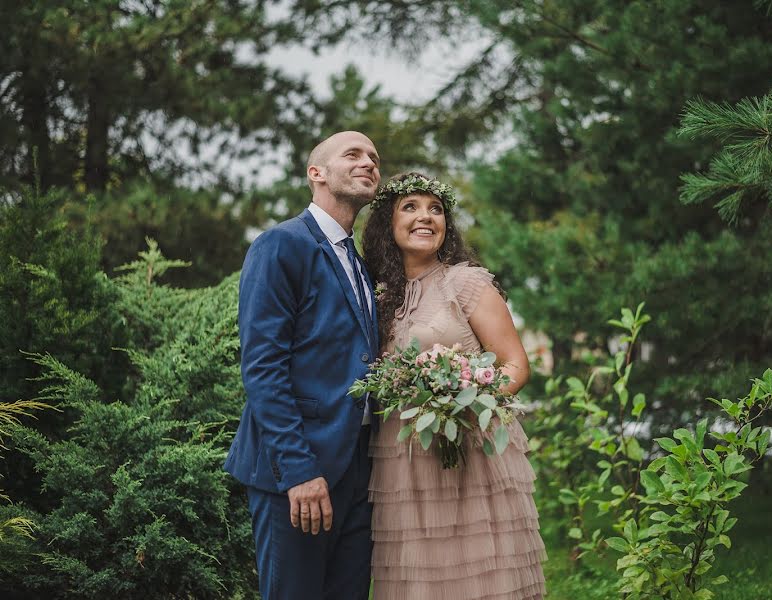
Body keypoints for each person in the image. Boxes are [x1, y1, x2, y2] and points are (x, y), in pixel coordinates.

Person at [362, 172, 546, 599]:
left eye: (436, 209)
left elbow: (515, 364)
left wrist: (464, 399)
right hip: (402, 458)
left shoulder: (465, 282)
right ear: (387, 222)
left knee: (478, 574)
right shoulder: (380, 294)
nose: (426, 217)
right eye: (410, 207)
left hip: (469, 450)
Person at [224, 131, 381, 600]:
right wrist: (297, 470)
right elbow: (263, 367)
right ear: (317, 173)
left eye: (374, 158)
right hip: (297, 468)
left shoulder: (360, 262)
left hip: (359, 469)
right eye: (352, 154)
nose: (369, 163)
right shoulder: (280, 245)